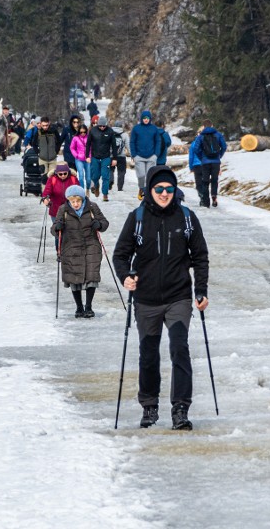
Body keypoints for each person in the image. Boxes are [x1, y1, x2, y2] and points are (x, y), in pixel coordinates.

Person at [112, 165, 210, 430]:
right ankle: (150, 406)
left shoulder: (187, 218)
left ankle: (180, 408)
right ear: (150, 190)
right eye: (159, 189)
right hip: (145, 299)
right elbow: (120, 254)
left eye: (169, 189)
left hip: (178, 296)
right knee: (149, 354)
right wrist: (126, 277)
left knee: (179, 348)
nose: (164, 193)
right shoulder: (138, 217)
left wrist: (201, 290)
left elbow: (200, 256)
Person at [51, 185, 110, 318]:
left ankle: (88, 307)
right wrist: (57, 227)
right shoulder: (63, 209)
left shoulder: (92, 207)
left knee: (92, 276)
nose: (76, 204)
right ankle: (79, 307)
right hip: (71, 248)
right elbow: (54, 229)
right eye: (73, 201)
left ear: (83, 199)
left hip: (91, 246)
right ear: (69, 201)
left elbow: (104, 222)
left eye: (78, 201)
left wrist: (99, 225)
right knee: (74, 278)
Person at [191, 120, 227, 207]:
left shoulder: (201, 136)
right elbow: (224, 146)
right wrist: (219, 155)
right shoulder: (218, 134)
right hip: (216, 162)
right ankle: (214, 196)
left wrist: (201, 157)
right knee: (214, 180)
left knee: (205, 182)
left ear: (203, 126)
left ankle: (206, 202)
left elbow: (196, 149)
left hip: (205, 162)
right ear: (212, 125)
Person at [129, 110, 162, 200]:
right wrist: (134, 155)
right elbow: (132, 142)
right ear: (141, 119)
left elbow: (158, 141)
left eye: (147, 118)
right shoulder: (136, 129)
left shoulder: (154, 129)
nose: (146, 120)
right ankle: (141, 188)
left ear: (150, 119)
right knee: (141, 175)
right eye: (144, 118)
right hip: (139, 156)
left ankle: (148, 192)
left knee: (150, 175)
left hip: (151, 156)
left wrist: (156, 154)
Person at [87, 116, 117, 201]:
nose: (102, 127)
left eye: (104, 126)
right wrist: (87, 156)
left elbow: (114, 146)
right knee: (95, 176)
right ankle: (96, 186)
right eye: (100, 126)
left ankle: (105, 194)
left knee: (105, 176)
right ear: (98, 125)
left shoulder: (110, 131)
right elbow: (88, 144)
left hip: (106, 157)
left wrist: (115, 158)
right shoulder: (93, 130)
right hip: (95, 157)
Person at [28, 116, 63, 181]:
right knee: (44, 178)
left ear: (49, 123)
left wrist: (56, 151)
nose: (45, 127)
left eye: (46, 125)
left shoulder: (54, 131)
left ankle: (52, 191)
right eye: (43, 125)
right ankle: (44, 191)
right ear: (41, 124)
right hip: (42, 158)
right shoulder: (38, 133)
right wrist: (38, 152)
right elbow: (34, 144)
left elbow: (59, 141)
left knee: (52, 177)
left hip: (52, 158)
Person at [70, 124, 91, 191]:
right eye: (81, 132)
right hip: (79, 159)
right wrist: (76, 155)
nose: (83, 134)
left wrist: (90, 156)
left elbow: (92, 148)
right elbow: (72, 148)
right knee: (81, 175)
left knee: (88, 178)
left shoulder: (89, 138)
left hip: (88, 159)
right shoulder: (75, 138)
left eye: (84, 132)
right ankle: (82, 190)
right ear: (79, 131)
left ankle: (88, 188)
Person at [188, 125, 205, 206]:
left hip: (197, 165)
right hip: (204, 164)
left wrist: (191, 166)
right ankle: (204, 196)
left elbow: (191, 156)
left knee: (199, 183)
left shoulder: (194, 143)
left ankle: (202, 196)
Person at [111, 120, 129, 192]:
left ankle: (110, 180)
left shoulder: (110, 133)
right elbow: (128, 145)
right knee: (121, 172)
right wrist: (132, 155)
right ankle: (120, 187)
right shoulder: (124, 134)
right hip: (121, 156)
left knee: (110, 170)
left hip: (111, 155)